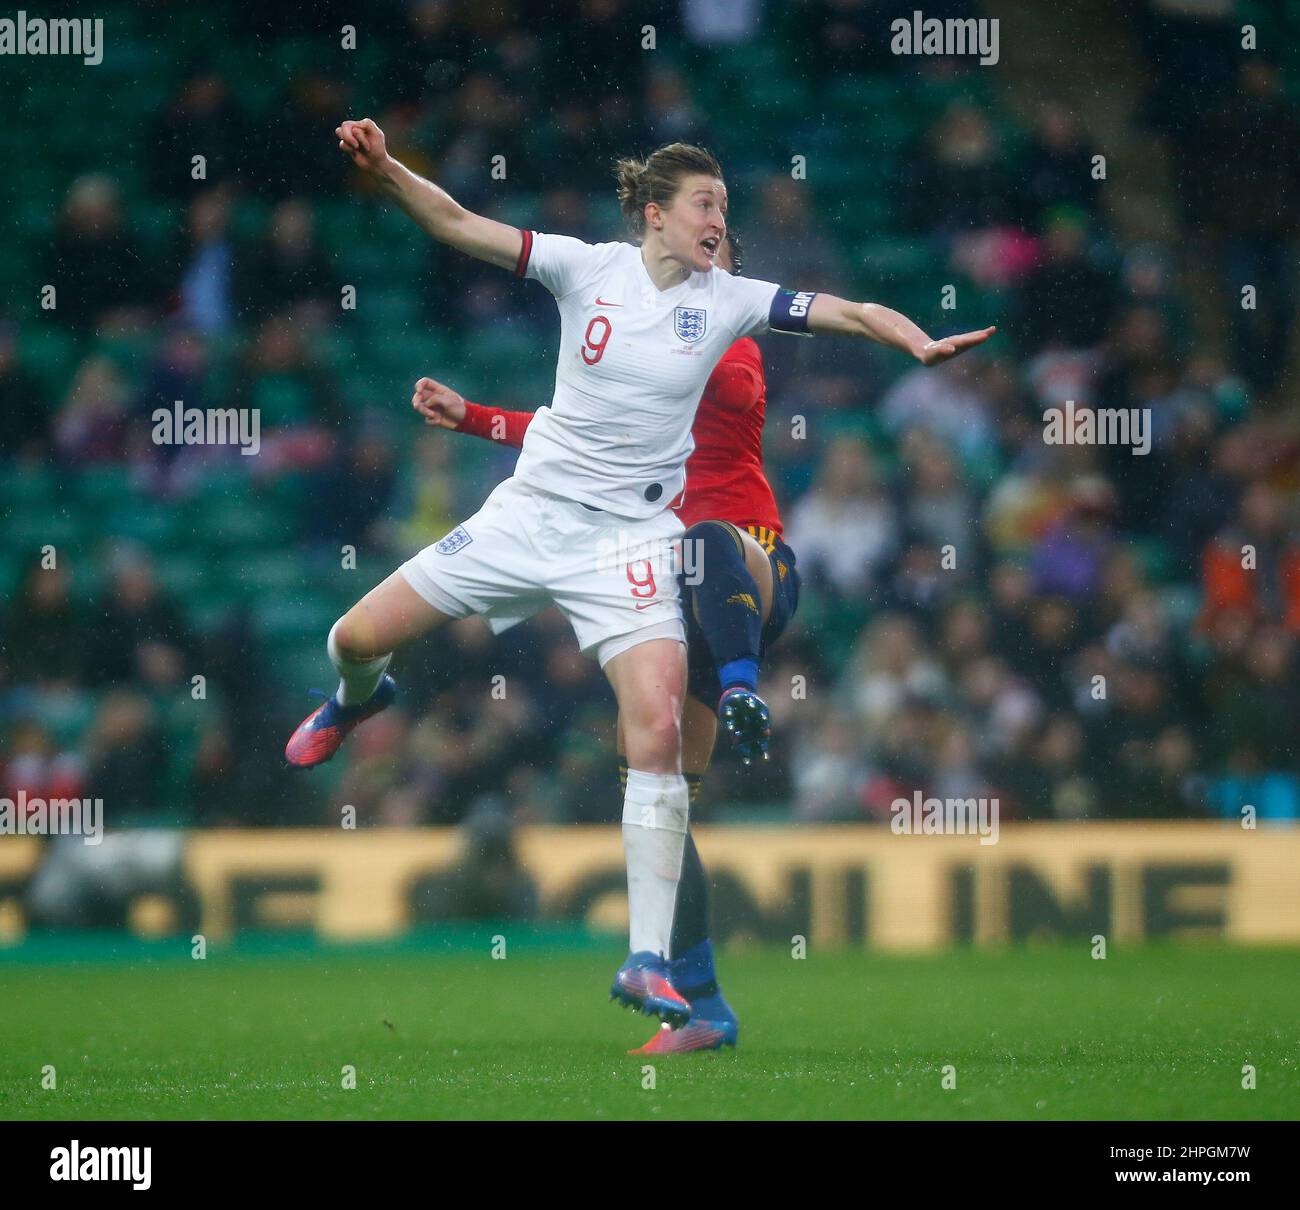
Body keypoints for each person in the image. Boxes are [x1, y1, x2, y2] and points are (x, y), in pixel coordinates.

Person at [284, 117, 994, 1039]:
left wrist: (916, 341)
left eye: (727, 209)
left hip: (636, 545)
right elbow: (459, 223)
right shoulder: (587, 269)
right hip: (529, 518)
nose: (719, 221)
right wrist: (387, 172)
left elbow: (845, 311)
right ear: (653, 215)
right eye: (704, 205)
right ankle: (355, 698)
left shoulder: (729, 303)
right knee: (352, 638)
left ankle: (652, 964)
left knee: (652, 738)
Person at [412, 233, 799, 1053]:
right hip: (659, 589)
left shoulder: (728, 335)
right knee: (667, 799)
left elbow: (704, 386)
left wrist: (668, 332)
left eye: (726, 244)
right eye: (703, 233)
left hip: (745, 565)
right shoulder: (644, 335)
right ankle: (703, 1008)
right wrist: (477, 418)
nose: (709, 249)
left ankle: (740, 687)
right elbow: (574, 439)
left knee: (707, 544)